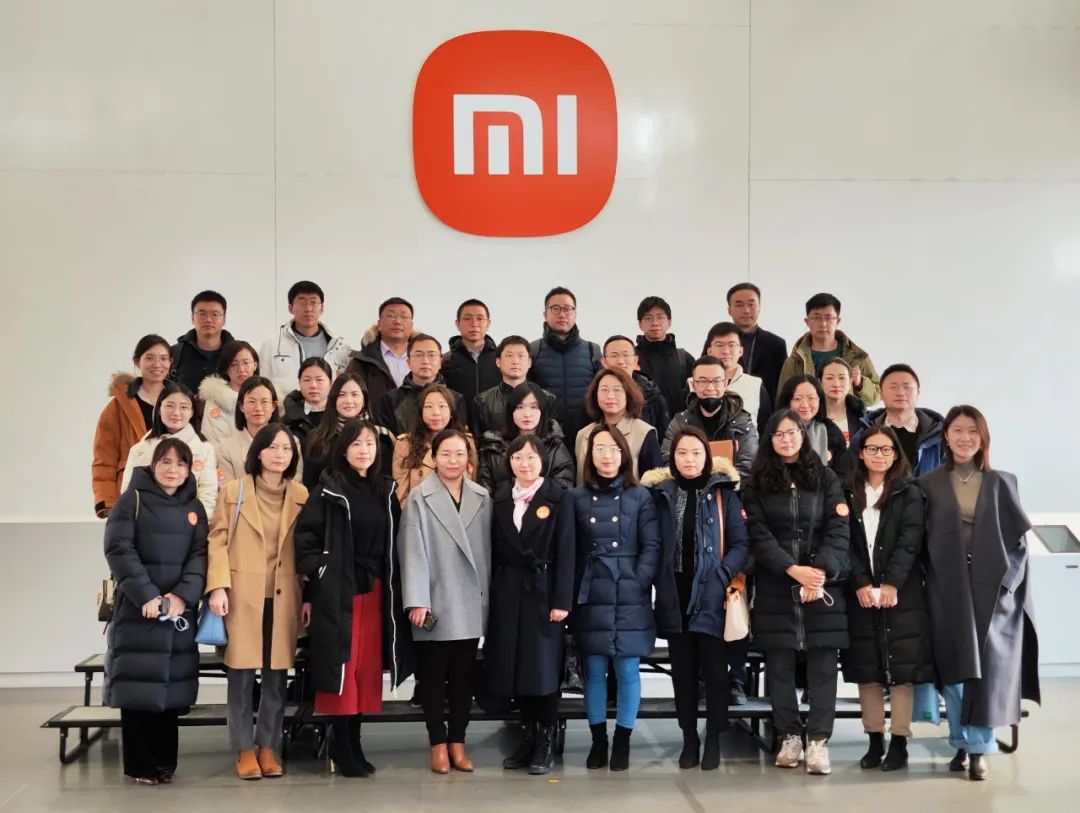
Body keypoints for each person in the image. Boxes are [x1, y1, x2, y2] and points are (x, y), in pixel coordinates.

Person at [918, 406, 1040, 782]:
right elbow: (919, 541)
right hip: (946, 588)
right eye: (957, 430)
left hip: (995, 592)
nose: (965, 437)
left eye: (973, 430)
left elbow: (1018, 545)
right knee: (955, 668)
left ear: (983, 437)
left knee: (987, 673)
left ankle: (978, 749)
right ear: (946, 436)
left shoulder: (1002, 481)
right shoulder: (928, 484)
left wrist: (1007, 585)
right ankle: (961, 740)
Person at [294, 419, 414, 777]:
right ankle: (340, 745)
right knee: (342, 667)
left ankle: (355, 742)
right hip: (338, 591)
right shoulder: (327, 490)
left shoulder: (385, 490)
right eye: (357, 444)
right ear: (343, 450)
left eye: (370, 444)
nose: (364, 450)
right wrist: (323, 573)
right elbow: (305, 542)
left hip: (375, 591)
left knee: (365, 670)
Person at [743, 410, 849, 776]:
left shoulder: (825, 476)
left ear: (803, 435)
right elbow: (758, 535)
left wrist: (817, 573)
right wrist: (792, 570)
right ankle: (789, 736)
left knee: (823, 667)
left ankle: (818, 740)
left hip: (822, 586)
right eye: (778, 434)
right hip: (777, 585)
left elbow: (839, 528)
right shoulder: (756, 482)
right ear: (769, 439)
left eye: (792, 432)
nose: (786, 439)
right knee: (779, 667)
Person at [644, 426, 750, 770]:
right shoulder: (661, 495)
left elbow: (741, 544)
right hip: (674, 595)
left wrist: (721, 575)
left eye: (696, 453)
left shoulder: (724, 494)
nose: (689, 459)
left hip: (713, 594)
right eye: (682, 453)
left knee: (716, 675)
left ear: (707, 456)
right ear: (672, 458)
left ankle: (714, 738)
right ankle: (689, 738)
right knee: (683, 676)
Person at [206, 423, 309, 780]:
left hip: (284, 597)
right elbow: (217, 541)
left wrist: (309, 596)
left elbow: (308, 549)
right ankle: (243, 749)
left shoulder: (301, 495)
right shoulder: (234, 491)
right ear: (259, 452)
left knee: (277, 678)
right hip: (241, 596)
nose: (280, 454)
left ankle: (268, 746)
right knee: (241, 676)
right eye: (273, 447)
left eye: (286, 449)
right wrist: (218, 587)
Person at [103, 438, 208, 785]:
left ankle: (164, 763)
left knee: (169, 689)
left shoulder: (194, 507)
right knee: (138, 688)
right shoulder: (131, 500)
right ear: (152, 464)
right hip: (139, 611)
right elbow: (119, 548)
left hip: (176, 612)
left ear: (189, 469)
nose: (172, 469)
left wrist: (182, 596)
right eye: (165, 462)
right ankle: (140, 765)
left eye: (180, 463)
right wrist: (146, 595)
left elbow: (200, 555)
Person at [401, 429, 493, 775]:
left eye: (459, 454)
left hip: (469, 600)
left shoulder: (481, 496)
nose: (452, 461)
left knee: (463, 678)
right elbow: (412, 551)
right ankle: (437, 743)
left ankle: (458, 741)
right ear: (433, 458)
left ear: (469, 458)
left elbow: (487, 553)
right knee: (433, 678)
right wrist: (417, 600)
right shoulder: (419, 497)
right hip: (434, 601)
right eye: (445, 454)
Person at [841, 426, 933, 772]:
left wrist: (892, 583)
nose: (878, 455)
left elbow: (911, 542)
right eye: (872, 448)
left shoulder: (910, 492)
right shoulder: (847, 491)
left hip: (902, 593)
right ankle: (874, 739)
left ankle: (899, 741)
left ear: (896, 455)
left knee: (901, 670)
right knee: (868, 668)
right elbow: (845, 543)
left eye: (885, 449)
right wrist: (861, 583)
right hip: (861, 593)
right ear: (860, 453)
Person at [571, 426, 661, 772]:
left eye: (613, 449)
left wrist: (639, 581)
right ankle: (598, 741)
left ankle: (622, 740)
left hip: (629, 593)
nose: (607, 456)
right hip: (592, 591)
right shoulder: (576, 497)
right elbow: (570, 549)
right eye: (599, 449)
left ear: (624, 454)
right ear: (589, 455)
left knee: (627, 669)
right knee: (594, 670)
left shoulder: (641, 496)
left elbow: (652, 545)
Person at [485, 433, 575, 775]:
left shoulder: (558, 497)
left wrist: (562, 600)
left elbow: (567, 550)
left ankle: (545, 740)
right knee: (516, 666)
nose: (525, 464)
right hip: (509, 589)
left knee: (543, 668)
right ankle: (527, 736)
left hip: (544, 589)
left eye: (531, 458)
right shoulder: (500, 496)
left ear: (543, 462)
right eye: (518, 458)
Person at [93, 335, 172, 517]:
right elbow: (104, 459)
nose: (157, 364)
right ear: (137, 361)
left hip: (174, 495)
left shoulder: (182, 402)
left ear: (171, 362)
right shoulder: (118, 407)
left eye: (163, 358)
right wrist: (107, 501)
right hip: (132, 494)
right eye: (149, 358)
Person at [121, 382, 219, 515]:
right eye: (170, 406)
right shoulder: (139, 449)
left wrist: (196, 523)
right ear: (159, 409)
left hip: (187, 523)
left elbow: (208, 496)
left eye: (184, 407)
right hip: (145, 523)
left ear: (191, 412)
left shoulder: (204, 449)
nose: (176, 413)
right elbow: (127, 494)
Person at [529, 287, 601, 454]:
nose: (562, 314)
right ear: (545, 314)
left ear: (575, 314)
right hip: (546, 439)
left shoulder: (592, 350)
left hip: (586, 438)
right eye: (555, 309)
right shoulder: (533, 350)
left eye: (567, 309)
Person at [661, 357, 758, 481]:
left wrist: (717, 485)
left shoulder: (742, 422)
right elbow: (667, 460)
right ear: (694, 385)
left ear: (725, 384)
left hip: (731, 488)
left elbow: (747, 465)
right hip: (689, 487)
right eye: (703, 381)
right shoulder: (680, 423)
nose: (710, 388)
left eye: (716, 381)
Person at [779, 292, 880, 407]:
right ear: (807, 322)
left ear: (838, 321)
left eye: (828, 318)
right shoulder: (794, 362)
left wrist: (860, 383)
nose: (823, 324)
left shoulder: (857, 357)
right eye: (816, 317)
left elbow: (877, 396)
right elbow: (782, 403)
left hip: (846, 418)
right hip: (806, 418)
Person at [476, 382, 574, 495]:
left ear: (542, 411)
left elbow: (564, 491)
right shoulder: (493, 446)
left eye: (533, 407)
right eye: (520, 407)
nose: (527, 414)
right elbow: (484, 493)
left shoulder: (554, 446)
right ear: (511, 411)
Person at [851, 364, 944, 476]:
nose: (900, 393)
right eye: (893, 387)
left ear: (918, 393)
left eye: (907, 387)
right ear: (881, 394)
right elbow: (851, 477)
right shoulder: (862, 436)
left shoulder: (940, 436)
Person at [304, 373, 394, 489]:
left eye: (355, 394)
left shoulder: (381, 437)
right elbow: (310, 484)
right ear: (333, 399)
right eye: (341, 395)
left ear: (364, 400)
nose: (348, 400)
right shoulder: (317, 437)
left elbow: (387, 482)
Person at [392, 384, 477, 506]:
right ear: (421, 412)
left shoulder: (465, 442)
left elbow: (473, 485)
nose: (436, 412)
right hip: (420, 512)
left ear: (451, 412)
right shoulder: (406, 444)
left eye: (442, 406)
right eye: (429, 406)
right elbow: (401, 494)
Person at [259, 280, 351, 388]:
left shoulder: (340, 347)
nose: (308, 308)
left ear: (322, 308)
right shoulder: (271, 345)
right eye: (302, 302)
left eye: (313, 302)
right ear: (290, 308)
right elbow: (263, 387)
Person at [575, 367, 661, 481]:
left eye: (617, 390)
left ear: (628, 394)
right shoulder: (583, 434)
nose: (610, 396)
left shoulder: (644, 433)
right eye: (604, 390)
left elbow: (654, 484)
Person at [214, 376, 303, 484]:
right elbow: (226, 489)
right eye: (252, 402)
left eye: (264, 402)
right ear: (241, 406)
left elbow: (295, 484)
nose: (258, 408)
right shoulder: (226, 449)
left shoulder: (291, 443)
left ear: (273, 406)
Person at [377, 334, 468, 436]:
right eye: (419, 355)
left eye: (431, 355)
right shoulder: (390, 400)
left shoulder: (456, 399)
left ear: (440, 362)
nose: (425, 361)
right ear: (408, 362)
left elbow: (459, 437)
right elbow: (386, 440)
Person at [472, 335, 557, 439]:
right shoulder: (483, 401)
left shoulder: (547, 398)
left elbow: (551, 438)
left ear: (529, 362)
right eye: (509, 356)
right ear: (498, 362)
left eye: (521, 356)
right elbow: (479, 440)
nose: (515, 361)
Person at [702, 320, 772, 432]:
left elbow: (766, 429)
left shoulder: (755, 386)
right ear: (709, 351)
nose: (726, 351)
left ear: (740, 351)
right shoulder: (693, 384)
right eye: (719, 345)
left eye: (732, 345)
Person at [345, 297, 415, 408]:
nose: (398, 321)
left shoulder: (426, 360)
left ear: (412, 325)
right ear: (379, 325)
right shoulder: (361, 363)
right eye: (391, 316)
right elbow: (349, 402)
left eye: (404, 316)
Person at [777, 374, 850, 479]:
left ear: (820, 400)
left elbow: (844, 473)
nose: (805, 405)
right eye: (797, 399)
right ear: (787, 401)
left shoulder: (831, 431)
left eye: (811, 398)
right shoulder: (776, 429)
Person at [726, 283, 787, 404]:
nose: (746, 310)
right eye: (739, 305)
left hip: (765, 409)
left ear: (759, 308)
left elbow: (781, 387)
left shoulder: (776, 344)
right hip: (726, 408)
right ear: (729, 310)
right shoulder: (717, 341)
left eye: (751, 304)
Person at [634, 295, 695, 416]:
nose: (655, 323)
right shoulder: (632, 358)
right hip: (643, 423)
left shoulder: (684, 358)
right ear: (640, 324)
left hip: (679, 424)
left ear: (669, 322)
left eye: (660, 317)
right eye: (648, 318)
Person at [601, 335, 670, 436]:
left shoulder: (652, 393)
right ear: (604, 362)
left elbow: (664, 435)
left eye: (626, 355)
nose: (621, 361)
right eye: (614, 356)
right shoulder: (596, 394)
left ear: (635, 360)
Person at [169, 290, 234, 395]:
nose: (208, 319)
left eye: (215, 314)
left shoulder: (237, 353)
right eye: (202, 314)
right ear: (192, 318)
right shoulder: (174, 353)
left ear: (224, 319)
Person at [199, 340, 262, 445]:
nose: (241, 369)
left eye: (246, 363)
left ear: (255, 365)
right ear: (226, 368)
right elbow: (213, 439)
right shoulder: (216, 397)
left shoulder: (266, 395)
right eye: (234, 364)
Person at [441, 299, 500, 406]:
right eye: (467, 319)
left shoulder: (501, 360)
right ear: (458, 324)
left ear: (488, 323)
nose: (474, 324)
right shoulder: (445, 361)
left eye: (480, 318)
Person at [282, 357, 332, 444]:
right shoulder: (289, 418)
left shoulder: (339, 415)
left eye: (319, 380)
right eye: (307, 380)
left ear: (330, 384)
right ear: (299, 383)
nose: (313, 385)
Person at [819, 358, 866, 446]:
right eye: (829, 378)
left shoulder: (860, 412)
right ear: (820, 382)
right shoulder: (813, 414)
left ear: (850, 382)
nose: (836, 384)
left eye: (842, 378)